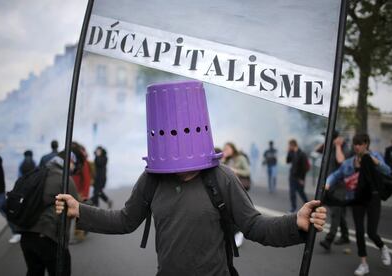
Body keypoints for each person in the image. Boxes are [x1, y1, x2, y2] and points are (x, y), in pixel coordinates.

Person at [56, 80, 327, 276]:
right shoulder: (152, 178)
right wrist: (79, 209)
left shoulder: (220, 177)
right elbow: (126, 220)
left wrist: (297, 223)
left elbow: (255, 226)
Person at [325, 133, 391, 275]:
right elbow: (336, 174)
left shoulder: (375, 156)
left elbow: (388, 171)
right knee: (359, 232)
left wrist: (376, 163)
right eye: (355, 143)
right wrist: (328, 183)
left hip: (373, 198)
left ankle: (383, 247)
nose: (357, 146)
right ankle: (363, 264)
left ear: (366, 144)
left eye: (360, 143)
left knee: (372, 232)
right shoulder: (350, 162)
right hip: (357, 199)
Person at [20, 151, 78, 276]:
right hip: (50, 237)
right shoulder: (65, 179)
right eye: (74, 163)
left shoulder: (37, 173)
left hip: (26, 235)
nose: (74, 167)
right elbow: (76, 209)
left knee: (34, 272)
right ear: (69, 162)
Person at [317, 131, 350, 251]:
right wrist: (327, 142)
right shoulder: (328, 146)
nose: (326, 139)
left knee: (336, 213)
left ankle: (328, 240)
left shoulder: (344, 147)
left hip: (339, 187)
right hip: (327, 186)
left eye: (328, 137)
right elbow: (317, 150)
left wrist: (337, 145)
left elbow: (341, 160)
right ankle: (346, 235)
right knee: (335, 212)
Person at [222, 142, 252, 248]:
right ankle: (233, 233)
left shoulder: (240, 158)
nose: (225, 150)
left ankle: (239, 233)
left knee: (238, 211)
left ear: (233, 149)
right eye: (224, 149)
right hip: (227, 189)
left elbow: (247, 172)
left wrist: (235, 170)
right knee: (228, 212)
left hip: (239, 188)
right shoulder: (225, 159)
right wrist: (223, 158)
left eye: (227, 148)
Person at [286, 139, 309, 213]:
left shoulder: (302, 154)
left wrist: (302, 179)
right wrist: (288, 152)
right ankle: (293, 208)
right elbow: (288, 161)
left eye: (289, 145)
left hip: (299, 178)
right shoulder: (292, 153)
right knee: (292, 193)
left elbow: (305, 167)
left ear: (293, 145)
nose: (288, 147)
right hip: (292, 176)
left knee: (301, 192)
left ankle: (309, 205)